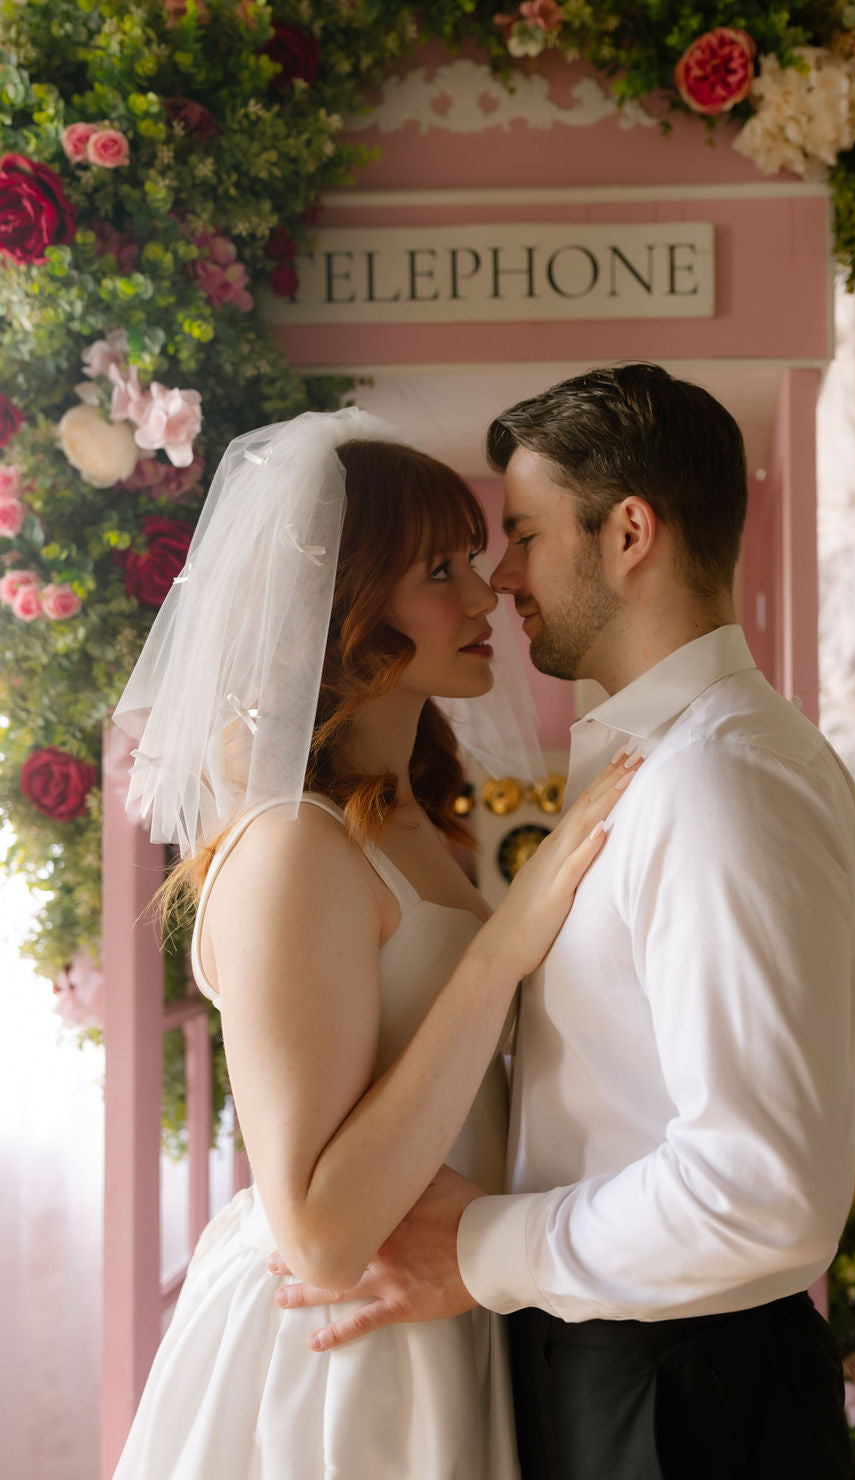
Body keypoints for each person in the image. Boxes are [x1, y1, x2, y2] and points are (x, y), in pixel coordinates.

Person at [275, 366, 855, 1480]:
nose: (500, 577)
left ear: (630, 534)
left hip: (679, 1396)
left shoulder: (717, 784)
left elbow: (761, 1191)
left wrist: (476, 1250)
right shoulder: (665, 765)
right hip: (627, 1364)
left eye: (521, 535)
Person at [110, 407, 637, 1479]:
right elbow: (314, 1233)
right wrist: (503, 951)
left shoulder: (405, 821)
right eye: (439, 569)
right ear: (343, 606)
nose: (485, 595)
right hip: (336, 1369)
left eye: (475, 562)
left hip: (437, 1317)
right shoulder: (292, 847)